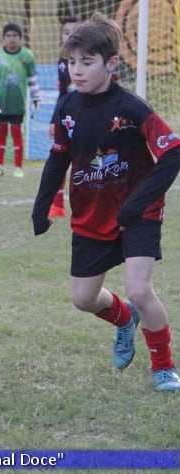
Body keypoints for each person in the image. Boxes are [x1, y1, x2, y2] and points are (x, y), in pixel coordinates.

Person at [31, 13, 180, 391]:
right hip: (90, 213)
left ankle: (163, 367)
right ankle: (123, 319)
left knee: (140, 289)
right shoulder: (67, 106)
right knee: (82, 298)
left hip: (138, 213)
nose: (76, 70)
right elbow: (58, 157)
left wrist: (138, 203)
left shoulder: (131, 107)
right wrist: (42, 205)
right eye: (71, 62)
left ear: (111, 63)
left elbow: (173, 151)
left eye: (86, 62)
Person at [0, 22, 40, 178]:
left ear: (20, 38)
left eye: (15, 36)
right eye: (8, 36)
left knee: (17, 134)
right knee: (1, 134)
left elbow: (32, 78)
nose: (11, 39)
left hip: (17, 103)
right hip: (0, 103)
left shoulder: (26, 55)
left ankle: (18, 168)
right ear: (3, 38)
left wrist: (36, 97)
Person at [47, 16, 82, 219]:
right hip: (67, 118)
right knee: (60, 159)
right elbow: (62, 94)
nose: (70, 36)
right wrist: (54, 120)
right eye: (66, 32)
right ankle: (57, 204)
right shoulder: (62, 62)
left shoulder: (93, 57)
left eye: (75, 31)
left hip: (87, 117)